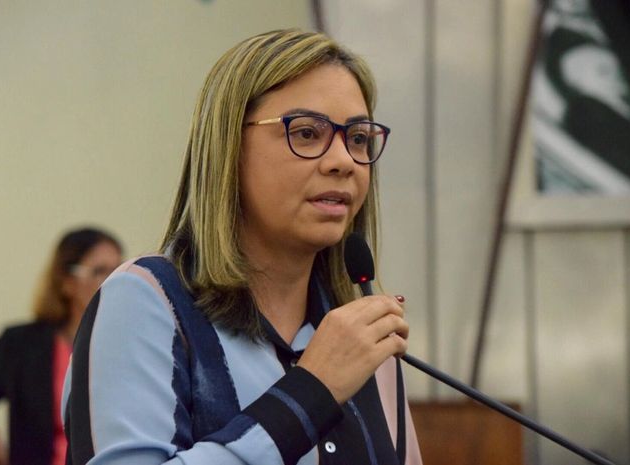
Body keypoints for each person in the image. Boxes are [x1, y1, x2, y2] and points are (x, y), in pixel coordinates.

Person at [63, 29, 423, 465]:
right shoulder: (143, 300)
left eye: (358, 138)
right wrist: (310, 394)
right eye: (307, 133)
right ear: (229, 145)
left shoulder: (363, 336)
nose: (343, 161)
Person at [0, 227, 123, 465]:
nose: (113, 282)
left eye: (119, 271)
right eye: (100, 271)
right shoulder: (21, 344)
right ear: (67, 282)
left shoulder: (128, 344)